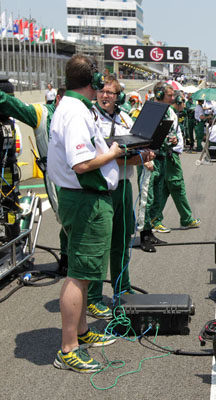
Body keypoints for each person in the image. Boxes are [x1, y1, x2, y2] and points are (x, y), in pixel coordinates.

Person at [47, 55, 123, 372]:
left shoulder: (73, 107)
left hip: (81, 198)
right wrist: (116, 153)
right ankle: (68, 349)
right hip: (86, 199)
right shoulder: (77, 112)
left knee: (83, 269)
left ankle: (80, 332)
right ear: (92, 82)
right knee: (78, 275)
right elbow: (80, 164)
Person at [87, 75, 154, 319]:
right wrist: (132, 154)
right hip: (100, 188)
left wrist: (145, 156)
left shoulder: (126, 118)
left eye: (111, 92)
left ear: (119, 96)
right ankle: (93, 298)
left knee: (121, 242)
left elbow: (132, 149)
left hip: (124, 186)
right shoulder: (90, 117)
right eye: (102, 91)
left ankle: (122, 289)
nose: (105, 96)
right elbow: (104, 152)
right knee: (99, 246)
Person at [0, 80, 69, 272]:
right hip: (55, 176)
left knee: (73, 221)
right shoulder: (43, 112)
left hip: (79, 174)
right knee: (66, 220)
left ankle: (67, 258)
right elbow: (14, 106)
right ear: (57, 99)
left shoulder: (80, 114)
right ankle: (68, 260)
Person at [145, 82, 200, 234]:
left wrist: (174, 139)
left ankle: (162, 219)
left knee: (166, 188)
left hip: (169, 153)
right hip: (157, 156)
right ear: (159, 95)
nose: (173, 98)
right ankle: (153, 223)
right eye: (169, 95)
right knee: (166, 188)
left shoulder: (170, 111)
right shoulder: (151, 110)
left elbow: (173, 132)